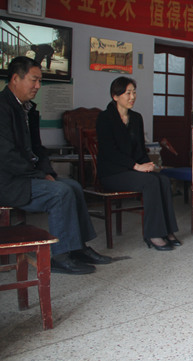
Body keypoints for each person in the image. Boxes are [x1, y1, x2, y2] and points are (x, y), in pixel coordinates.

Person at [0, 56, 111, 274]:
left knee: (74, 186)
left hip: (28, 176)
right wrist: (39, 175)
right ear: (15, 79)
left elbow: (38, 149)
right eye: (34, 80)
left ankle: (78, 248)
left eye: (39, 81)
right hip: (9, 181)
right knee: (60, 192)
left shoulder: (27, 109)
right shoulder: (2, 108)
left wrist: (47, 171)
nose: (38, 86)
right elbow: (6, 155)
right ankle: (61, 256)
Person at [96, 77, 181, 251]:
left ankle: (167, 230)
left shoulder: (136, 118)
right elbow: (109, 152)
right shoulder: (104, 118)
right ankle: (153, 234)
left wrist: (148, 165)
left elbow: (140, 150)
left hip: (132, 170)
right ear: (115, 96)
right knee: (150, 182)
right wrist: (136, 166)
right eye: (128, 93)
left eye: (134, 92)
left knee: (163, 180)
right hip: (112, 172)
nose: (132, 97)